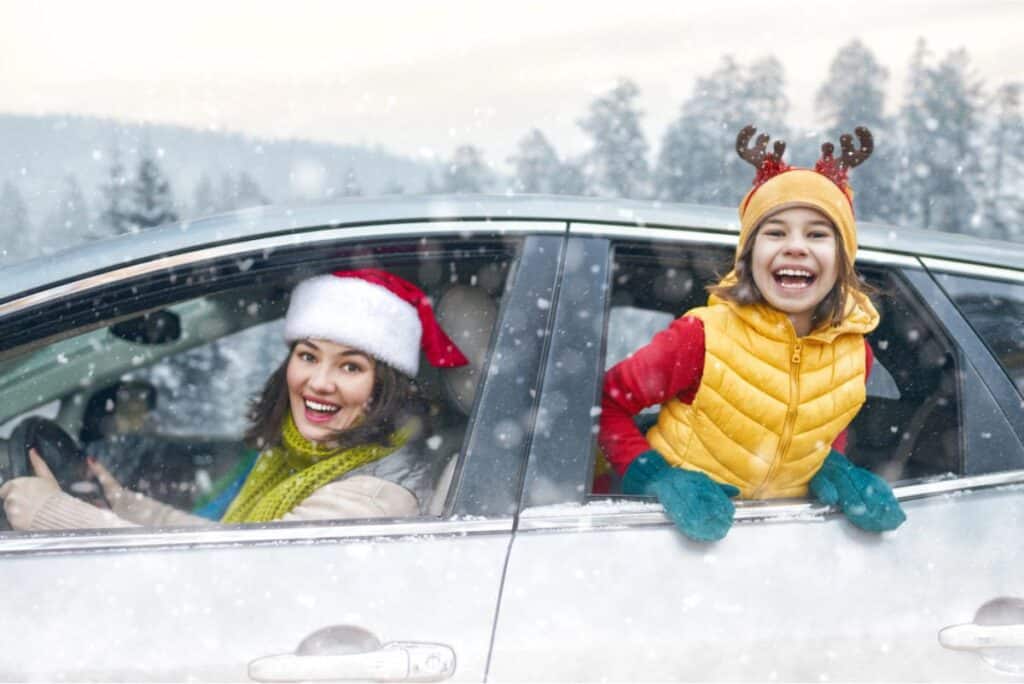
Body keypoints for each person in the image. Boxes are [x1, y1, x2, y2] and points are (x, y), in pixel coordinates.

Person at [598, 125, 906, 542]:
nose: (795, 247)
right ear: (750, 255)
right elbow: (606, 404)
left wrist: (832, 467)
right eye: (775, 233)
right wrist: (656, 478)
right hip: (657, 540)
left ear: (842, 260)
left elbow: (828, 420)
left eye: (817, 234)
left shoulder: (855, 353)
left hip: (773, 545)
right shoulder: (701, 337)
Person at [0, 269, 468, 530]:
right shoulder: (305, 458)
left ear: (383, 389)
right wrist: (124, 505)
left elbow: (226, 583)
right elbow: (228, 547)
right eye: (308, 356)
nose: (319, 383)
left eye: (351, 366)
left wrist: (55, 515)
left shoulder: (371, 495)